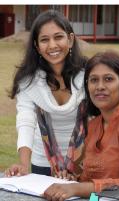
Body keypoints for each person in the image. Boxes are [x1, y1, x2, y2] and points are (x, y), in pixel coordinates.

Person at [43, 51, 119, 200]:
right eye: (94, 80)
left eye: (108, 79)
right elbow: (92, 184)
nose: (100, 86)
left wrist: (76, 188)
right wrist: (72, 180)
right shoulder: (93, 125)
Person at [4, 10, 87, 179]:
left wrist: (79, 164)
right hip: (44, 162)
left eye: (58, 37)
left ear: (70, 39)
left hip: (85, 161)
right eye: (44, 40)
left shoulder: (89, 74)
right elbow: (26, 120)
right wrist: (23, 165)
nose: (52, 45)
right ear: (36, 46)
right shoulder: (28, 80)